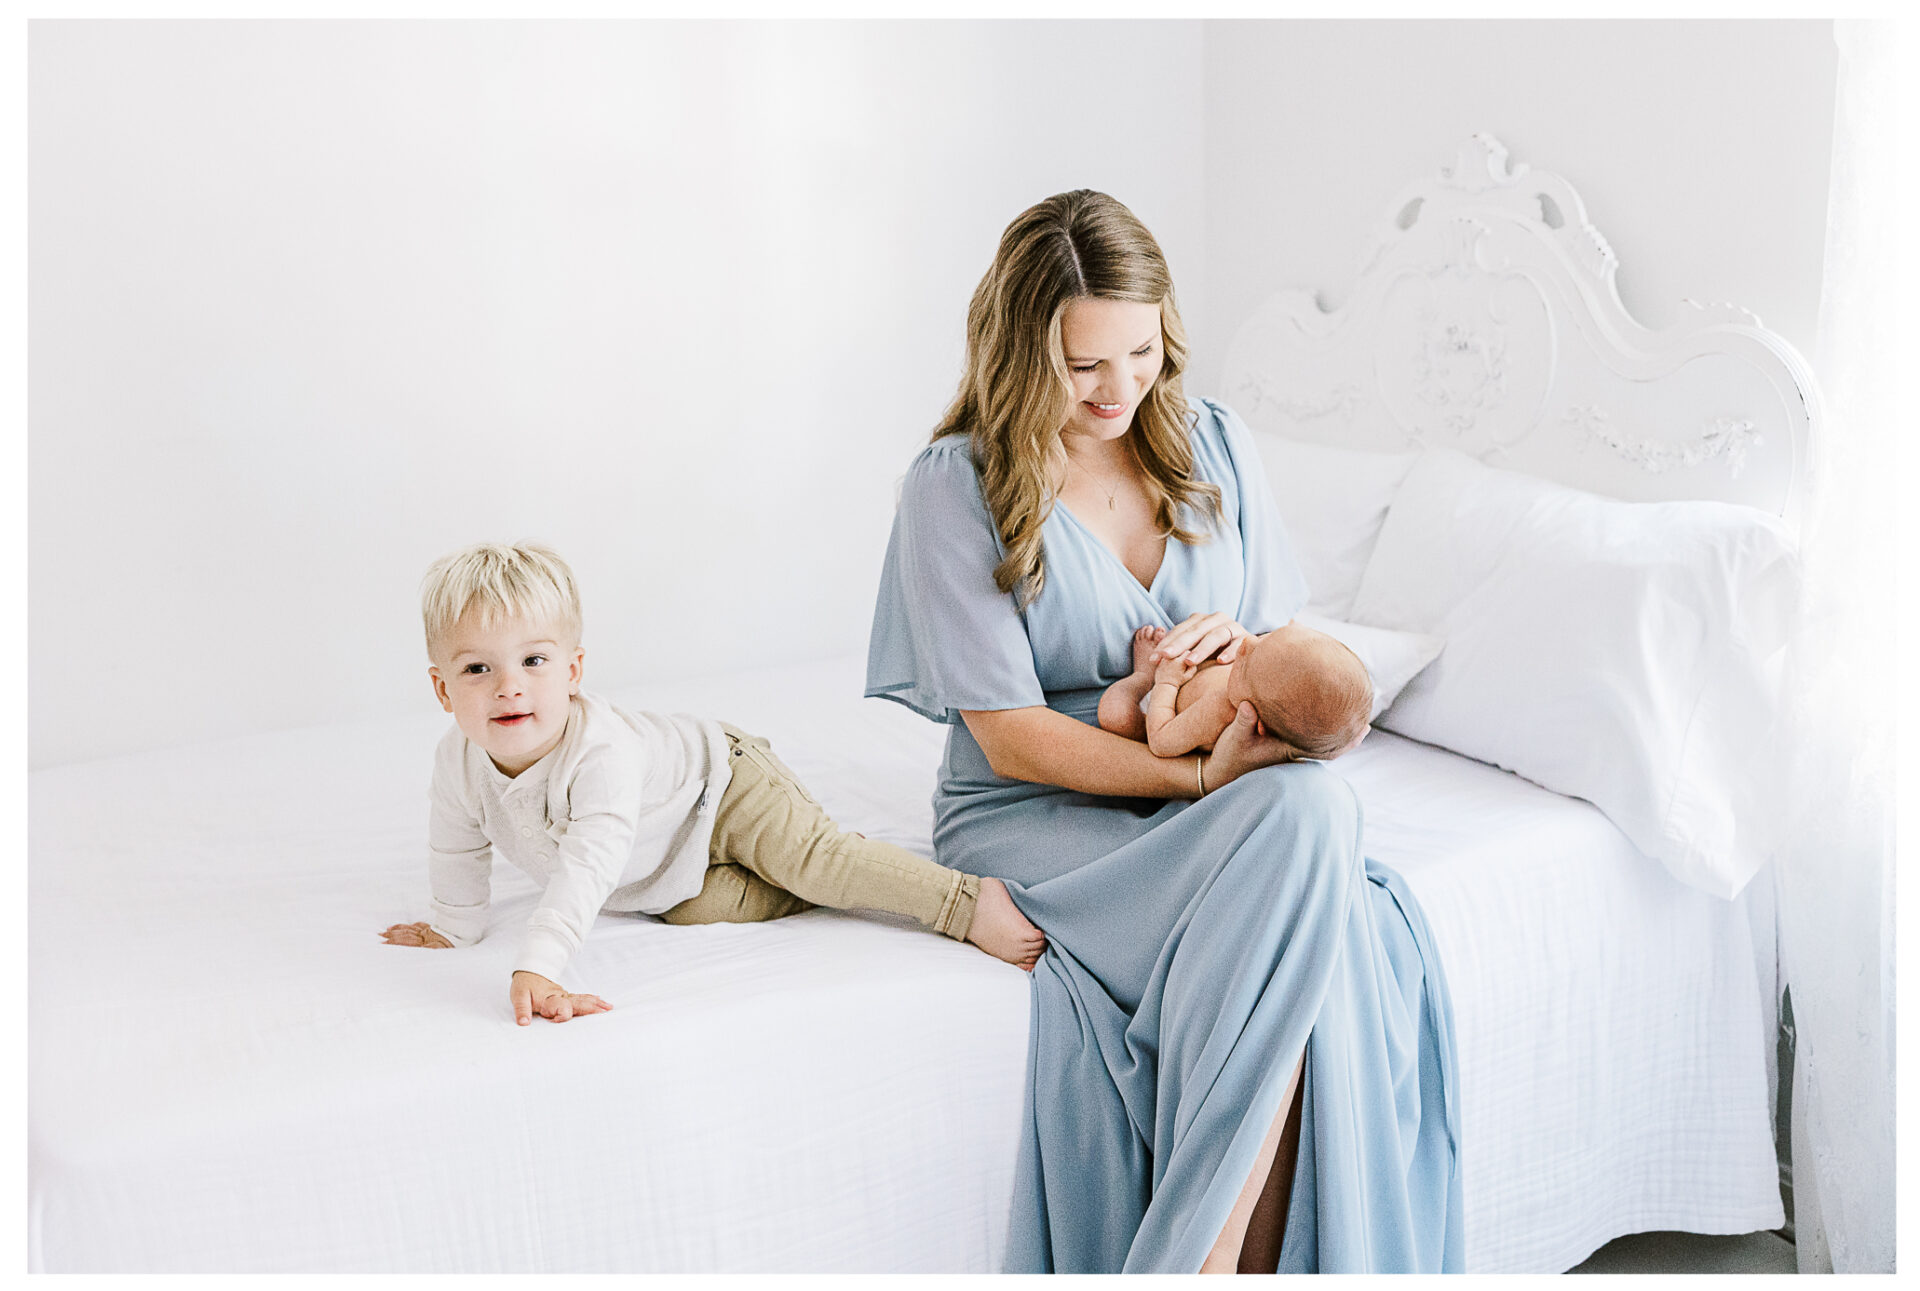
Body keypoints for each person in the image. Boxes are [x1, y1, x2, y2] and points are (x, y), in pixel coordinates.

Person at [867, 190, 1462, 1272]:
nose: (1116, 388)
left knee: (1317, 834)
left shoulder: (1216, 444)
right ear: (1020, 348)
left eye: (1138, 351)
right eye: (1081, 363)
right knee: (1308, 878)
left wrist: (1231, 683)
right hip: (1034, 814)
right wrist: (1190, 777)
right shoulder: (955, 486)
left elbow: (1283, 646)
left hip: (1220, 797)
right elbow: (1006, 739)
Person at [381, 541, 1045, 1025]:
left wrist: (540, 963)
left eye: (533, 659)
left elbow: (588, 866)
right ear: (442, 688)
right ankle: (817, 881)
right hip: (666, 865)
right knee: (697, 909)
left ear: (575, 669)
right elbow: (456, 847)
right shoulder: (458, 763)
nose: (509, 685)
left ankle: (965, 903)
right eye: (477, 669)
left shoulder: (600, 753)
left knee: (816, 859)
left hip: (724, 783)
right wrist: (455, 925)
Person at [1097, 621, 1373, 761]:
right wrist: (1340, 744)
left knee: (1115, 714)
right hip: (1194, 678)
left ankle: (1141, 676)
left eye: (1249, 660)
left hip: (1156, 711)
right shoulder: (1269, 698)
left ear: (1257, 721)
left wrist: (1165, 683)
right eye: (1266, 637)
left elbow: (1160, 741)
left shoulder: (1219, 711)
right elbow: (1316, 742)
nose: (1247, 642)